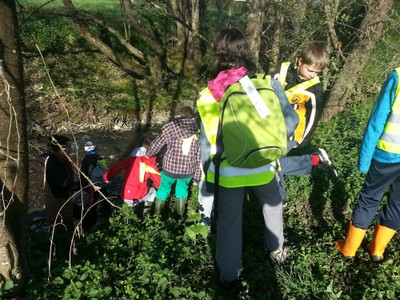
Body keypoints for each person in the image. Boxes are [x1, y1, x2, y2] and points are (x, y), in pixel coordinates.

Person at [197, 28, 298, 286]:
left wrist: (209, 181)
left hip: (229, 173)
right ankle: (277, 253)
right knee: (273, 208)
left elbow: (207, 143)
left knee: (229, 224)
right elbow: (291, 121)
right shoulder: (267, 83)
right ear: (246, 51)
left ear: (217, 54)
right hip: (264, 164)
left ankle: (229, 277)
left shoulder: (208, 94)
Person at [335, 67, 400, 262]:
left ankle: (349, 249)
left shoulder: (398, 76)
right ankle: (377, 251)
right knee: (398, 204)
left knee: (369, 199)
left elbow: (377, 120)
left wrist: (364, 160)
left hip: (387, 155)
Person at [276, 41, 337, 204]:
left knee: (271, 164)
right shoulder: (281, 70)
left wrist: (304, 140)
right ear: (299, 61)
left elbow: (313, 116)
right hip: (271, 129)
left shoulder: (314, 89)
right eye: (310, 70)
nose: (312, 75)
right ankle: (315, 161)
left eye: (317, 72)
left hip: (292, 134)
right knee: (274, 164)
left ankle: (279, 200)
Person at [146, 106, 201, 217]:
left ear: (178, 116)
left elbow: (156, 145)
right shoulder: (197, 132)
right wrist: (197, 177)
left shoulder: (170, 129)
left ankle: (157, 215)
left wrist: (148, 154)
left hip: (169, 168)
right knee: (182, 190)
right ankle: (180, 216)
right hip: (187, 170)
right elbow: (199, 157)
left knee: (163, 188)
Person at [103, 139, 161, 214]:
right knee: (152, 192)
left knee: (129, 212)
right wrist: (160, 188)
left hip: (126, 194)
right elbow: (157, 180)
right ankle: (146, 215)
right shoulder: (149, 163)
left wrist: (107, 177)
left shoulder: (130, 159)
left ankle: (128, 218)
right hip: (139, 194)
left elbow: (116, 167)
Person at [44, 135, 77, 228]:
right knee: (63, 224)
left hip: (60, 197)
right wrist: (84, 186)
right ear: (60, 149)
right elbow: (65, 184)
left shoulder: (58, 158)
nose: (71, 150)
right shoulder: (54, 164)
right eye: (69, 147)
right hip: (58, 200)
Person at [77, 141, 111, 229]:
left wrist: (84, 184)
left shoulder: (85, 159)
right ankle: (107, 211)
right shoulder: (99, 158)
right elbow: (105, 171)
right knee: (105, 196)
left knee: (94, 199)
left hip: (92, 183)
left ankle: (92, 215)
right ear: (95, 148)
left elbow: (83, 173)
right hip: (101, 182)